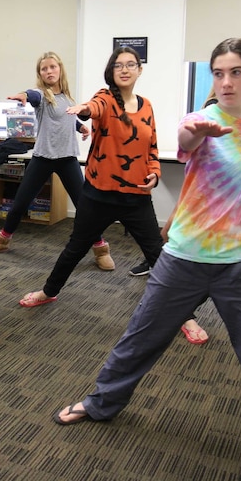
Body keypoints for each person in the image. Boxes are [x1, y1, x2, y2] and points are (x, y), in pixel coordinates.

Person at [52, 38, 241, 481]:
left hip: (240, 262)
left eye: (236, 72)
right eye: (218, 72)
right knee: (140, 338)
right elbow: (185, 140)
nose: (226, 81)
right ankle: (101, 402)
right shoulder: (198, 122)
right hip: (183, 257)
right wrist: (199, 131)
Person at [18, 46, 163, 308]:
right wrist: (84, 109)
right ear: (111, 71)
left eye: (131, 64)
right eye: (118, 65)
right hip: (100, 194)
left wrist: (155, 172)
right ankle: (48, 291)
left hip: (137, 196)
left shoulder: (147, 106)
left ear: (140, 70)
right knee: (75, 248)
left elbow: (152, 146)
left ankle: (184, 313)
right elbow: (94, 107)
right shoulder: (105, 98)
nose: (125, 69)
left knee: (157, 255)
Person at [129, 91, 241, 300]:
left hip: (240, 192)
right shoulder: (205, 115)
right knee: (173, 223)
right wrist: (196, 135)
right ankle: (153, 260)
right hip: (203, 189)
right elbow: (187, 139)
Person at [0, 51, 116, 272]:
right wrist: (23, 95)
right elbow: (32, 95)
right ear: (40, 74)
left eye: (52, 67)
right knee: (21, 201)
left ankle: (100, 248)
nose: (49, 71)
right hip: (43, 157)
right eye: (44, 68)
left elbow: (66, 118)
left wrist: (80, 127)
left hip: (67, 158)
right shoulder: (42, 95)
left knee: (84, 206)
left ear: (60, 69)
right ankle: (2, 240)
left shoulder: (68, 98)